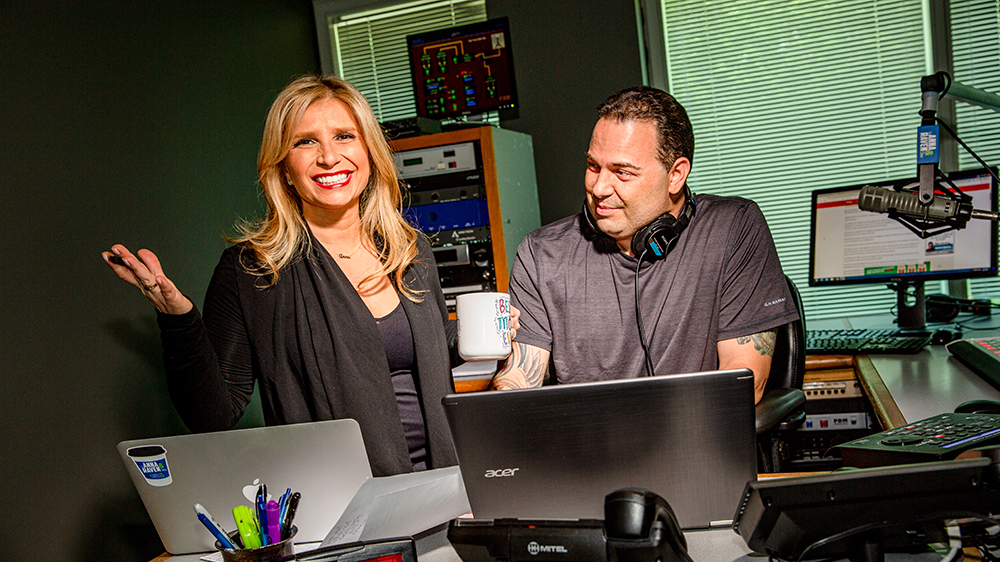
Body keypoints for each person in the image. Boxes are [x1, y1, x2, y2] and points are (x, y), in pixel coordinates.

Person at [104, 75, 486, 476]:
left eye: (344, 136)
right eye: (305, 142)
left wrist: (476, 336)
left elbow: (403, 350)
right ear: (283, 166)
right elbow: (213, 415)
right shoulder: (253, 270)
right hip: (345, 508)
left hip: (444, 487)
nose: (329, 157)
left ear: (369, 151)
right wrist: (178, 319)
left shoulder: (409, 249)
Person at [491, 86, 798, 403]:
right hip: (585, 446)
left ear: (676, 175)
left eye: (622, 172)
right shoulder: (542, 253)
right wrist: (499, 402)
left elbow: (744, 384)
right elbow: (519, 377)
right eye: (593, 166)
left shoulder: (733, 227)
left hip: (693, 442)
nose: (598, 187)